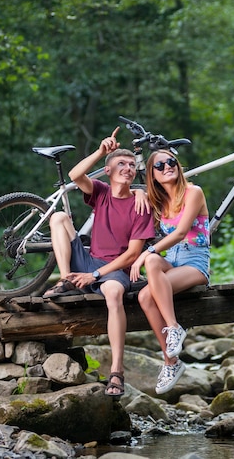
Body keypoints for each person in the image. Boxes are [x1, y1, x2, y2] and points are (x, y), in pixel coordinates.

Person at [43, 127, 155, 398]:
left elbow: (131, 255)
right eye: (120, 163)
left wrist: (95, 275)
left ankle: (117, 370)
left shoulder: (141, 205)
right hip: (88, 260)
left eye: (131, 164)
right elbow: (74, 175)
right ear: (108, 171)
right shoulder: (101, 192)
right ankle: (66, 279)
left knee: (114, 293)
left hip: (116, 269)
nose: (128, 167)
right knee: (58, 218)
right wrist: (101, 151)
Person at [130, 150, 210, 394]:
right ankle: (173, 360)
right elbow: (126, 197)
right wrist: (138, 191)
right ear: (153, 175)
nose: (167, 166)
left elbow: (179, 233)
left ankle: (172, 337)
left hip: (195, 263)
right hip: (171, 261)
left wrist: (146, 252)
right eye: (160, 165)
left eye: (171, 162)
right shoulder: (160, 202)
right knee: (152, 265)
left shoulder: (193, 193)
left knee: (146, 289)